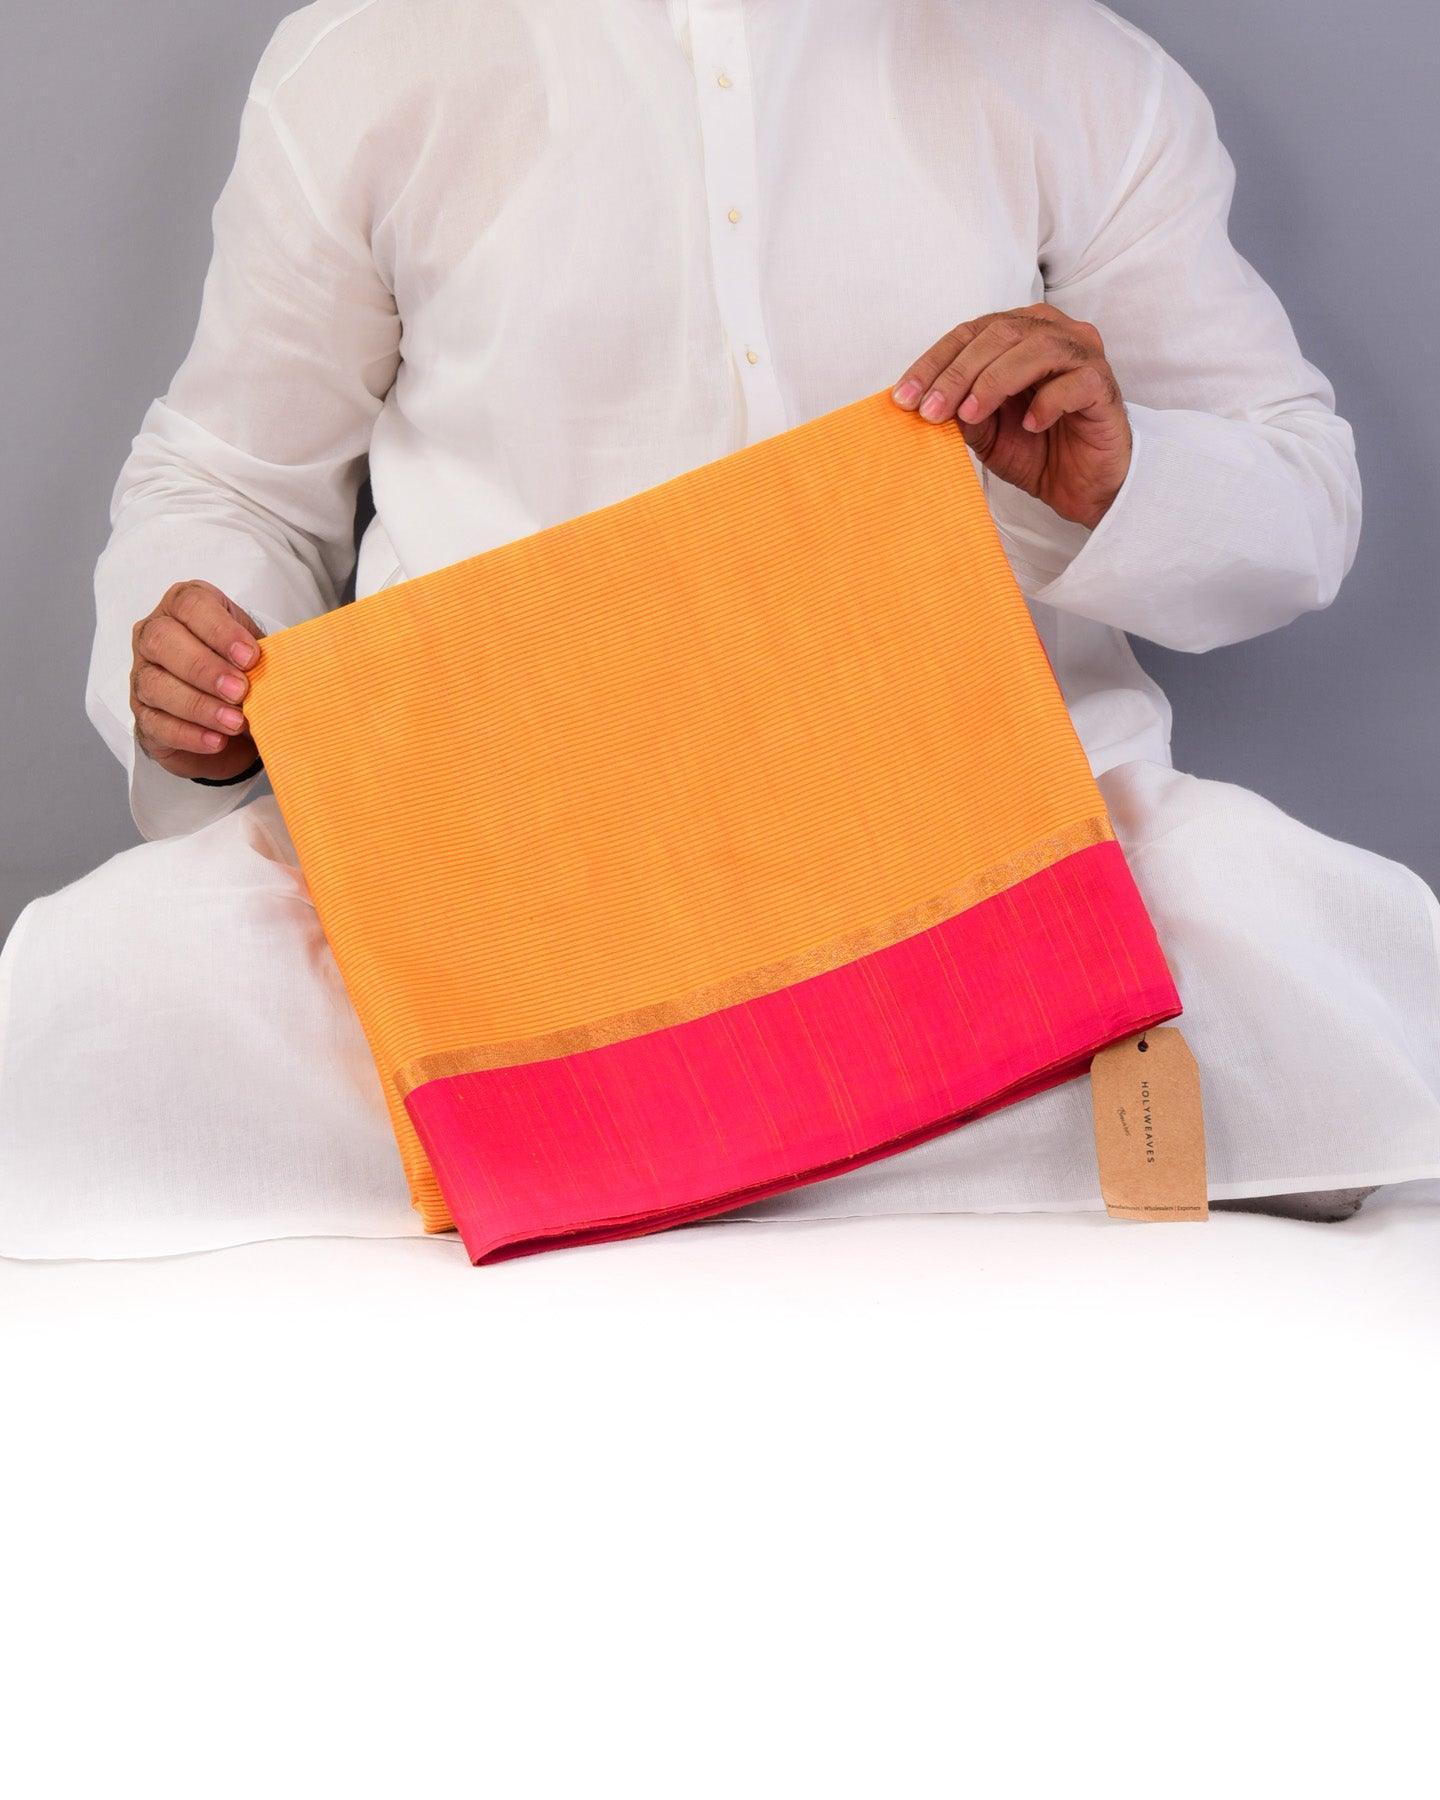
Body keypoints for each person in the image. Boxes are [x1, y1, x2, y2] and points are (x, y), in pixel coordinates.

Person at [1, 0, 1436, 1259]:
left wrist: (1118, 481)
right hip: (501, 870)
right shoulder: (373, 54)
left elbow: (1299, 493)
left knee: (1316, 945)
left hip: (980, 838)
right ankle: (963, 1132)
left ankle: (618, 1148)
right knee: (91, 991)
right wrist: (203, 672)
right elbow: (228, 483)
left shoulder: (1065, 61)